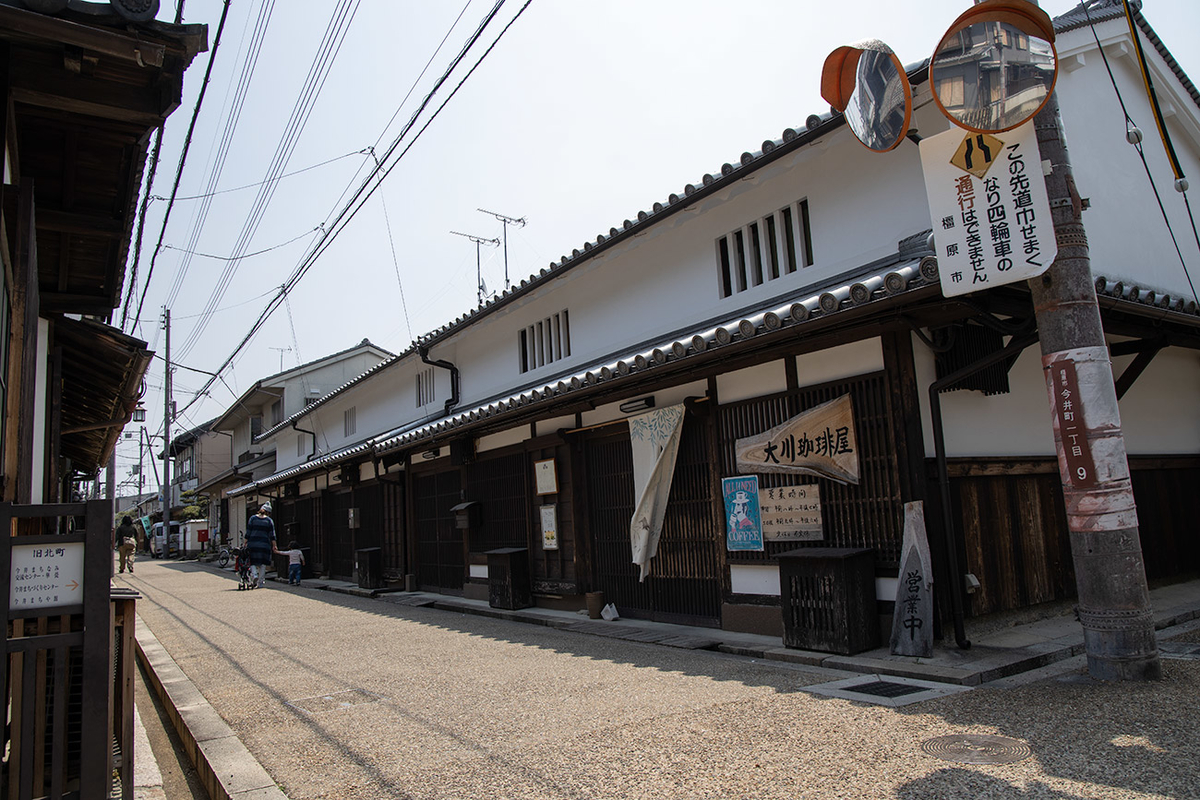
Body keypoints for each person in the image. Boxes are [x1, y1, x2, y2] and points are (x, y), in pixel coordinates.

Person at [245, 503, 280, 589]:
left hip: (253, 543)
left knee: (252, 561)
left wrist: (245, 542)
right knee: (263, 564)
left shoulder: (252, 518)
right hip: (265, 544)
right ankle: (260, 582)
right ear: (269, 513)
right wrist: (274, 546)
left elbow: (248, 532)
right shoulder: (269, 521)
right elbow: (272, 535)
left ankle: (254, 575)